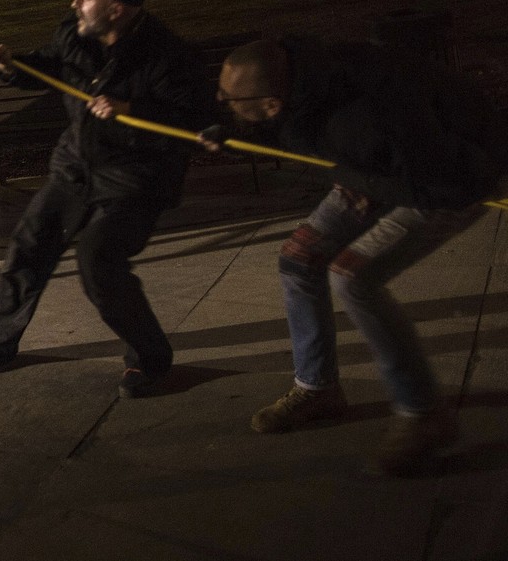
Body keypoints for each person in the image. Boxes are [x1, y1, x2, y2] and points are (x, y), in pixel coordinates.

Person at [203, 37, 507, 475]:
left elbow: (438, 181)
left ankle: (424, 414)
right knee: (298, 259)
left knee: (353, 277)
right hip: (381, 168)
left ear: (272, 103)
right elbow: (298, 124)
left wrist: (362, 181)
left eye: (230, 100)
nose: (221, 101)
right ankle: (317, 388)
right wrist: (233, 132)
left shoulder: (365, 119)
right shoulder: (307, 71)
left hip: (458, 176)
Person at [0, 0, 211, 397]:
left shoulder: (166, 56)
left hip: (134, 177)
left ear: (116, 10)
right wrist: (11, 65)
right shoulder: (74, 33)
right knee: (28, 247)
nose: (76, 3)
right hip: (75, 166)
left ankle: (149, 361)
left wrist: (132, 111)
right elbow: (50, 66)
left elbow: (194, 120)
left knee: (99, 261)